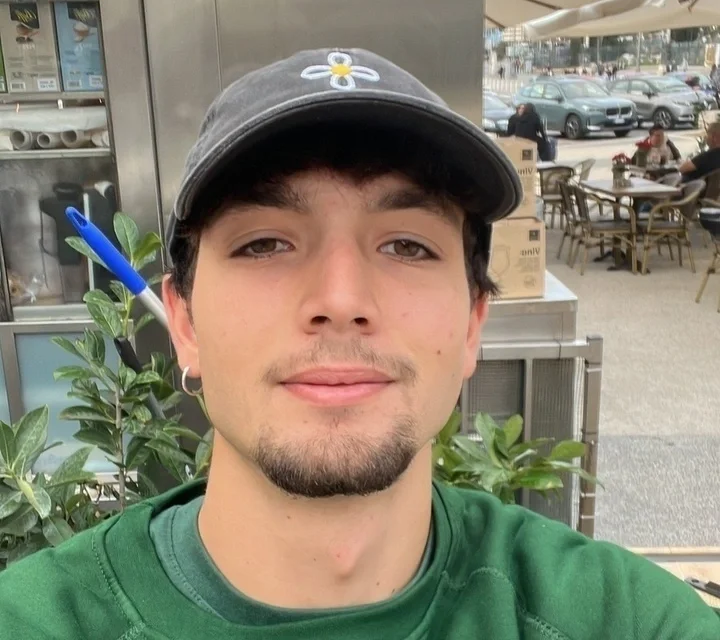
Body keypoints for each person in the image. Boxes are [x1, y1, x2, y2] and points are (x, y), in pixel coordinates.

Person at [1, 48, 718, 639]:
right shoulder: (36, 622)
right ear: (185, 323)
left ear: (472, 323)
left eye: (407, 245)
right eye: (265, 243)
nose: (341, 301)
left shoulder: (620, 619)